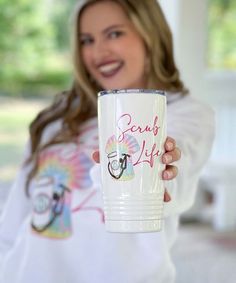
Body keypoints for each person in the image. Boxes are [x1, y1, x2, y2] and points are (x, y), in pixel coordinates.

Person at [0, 0, 214, 282]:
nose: (98, 52)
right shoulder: (55, 120)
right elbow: (13, 222)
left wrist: (158, 171)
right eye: (86, 40)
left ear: (150, 36)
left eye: (114, 33)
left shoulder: (185, 114)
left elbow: (174, 176)